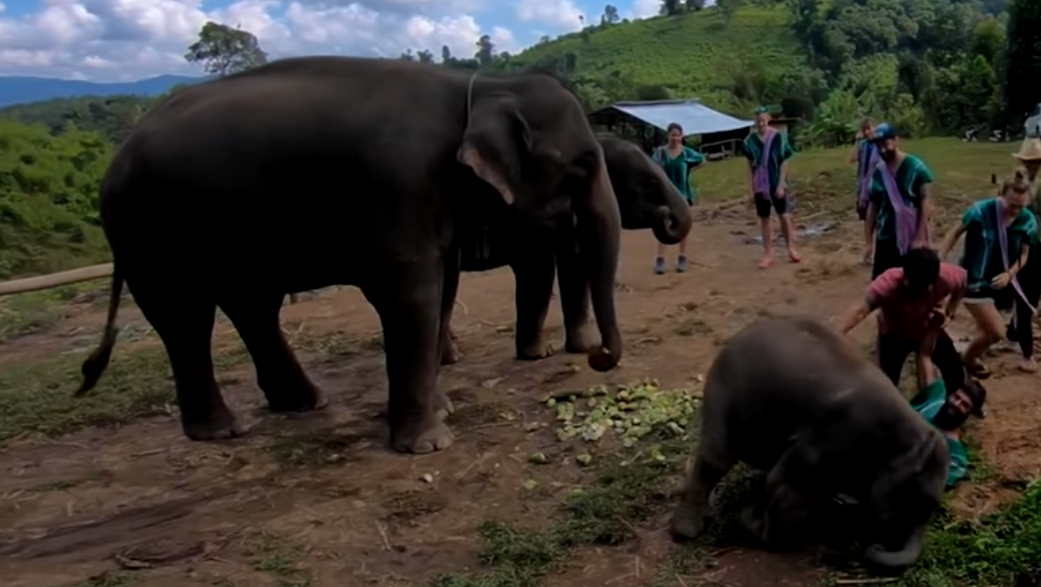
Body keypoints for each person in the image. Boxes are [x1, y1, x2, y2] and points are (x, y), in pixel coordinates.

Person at [940, 172, 1038, 378]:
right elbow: (955, 231)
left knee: (986, 327)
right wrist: (942, 256)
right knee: (996, 332)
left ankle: (968, 354)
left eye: (1021, 207)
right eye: (1011, 205)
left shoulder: (1027, 219)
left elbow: (1025, 254)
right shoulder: (980, 211)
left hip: (999, 282)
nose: (1016, 211)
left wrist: (1010, 274)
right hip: (974, 281)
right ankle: (968, 359)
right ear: (1001, 195)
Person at [839, 246, 967, 394]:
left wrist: (950, 311)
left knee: (953, 370)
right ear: (905, 279)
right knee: (887, 384)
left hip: (928, 328)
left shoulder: (947, 276)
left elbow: (963, 281)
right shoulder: (887, 284)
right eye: (917, 288)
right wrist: (837, 333)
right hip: (894, 335)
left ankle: (956, 402)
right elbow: (861, 310)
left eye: (926, 287)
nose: (922, 293)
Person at [914, 327, 988, 489]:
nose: (956, 403)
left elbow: (937, 483)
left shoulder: (955, 455)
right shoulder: (936, 398)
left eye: (964, 405)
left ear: (969, 414)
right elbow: (925, 356)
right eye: (957, 398)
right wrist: (933, 327)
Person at [864, 123, 933, 279]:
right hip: (886, 237)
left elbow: (925, 202)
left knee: (914, 283)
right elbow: (873, 207)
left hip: (912, 237)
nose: (882, 150)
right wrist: (868, 241)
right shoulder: (878, 172)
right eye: (879, 146)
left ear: (896, 140)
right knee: (884, 284)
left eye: (886, 144)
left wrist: (920, 237)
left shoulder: (916, 167)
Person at [744, 107, 800, 269]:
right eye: (758, 120)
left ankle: (791, 248)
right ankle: (768, 253)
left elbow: (784, 160)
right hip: (760, 185)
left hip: (776, 181)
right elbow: (749, 166)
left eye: (763, 119)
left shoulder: (777, 137)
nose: (761, 122)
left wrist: (782, 184)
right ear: (755, 122)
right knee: (765, 219)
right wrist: (751, 187)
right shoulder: (749, 142)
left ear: (768, 119)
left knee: (784, 216)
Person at [1004, 138, 1041, 371]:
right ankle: (1026, 352)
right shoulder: (1019, 185)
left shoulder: (1032, 186)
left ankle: (1013, 333)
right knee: (1025, 297)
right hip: (1025, 245)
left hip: (1033, 245)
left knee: (1028, 295)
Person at [652, 122, 705, 274]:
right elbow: (653, 167)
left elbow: (702, 160)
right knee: (664, 226)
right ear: (668, 136)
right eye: (672, 135)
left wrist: (689, 169)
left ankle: (682, 257)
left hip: (683, 195)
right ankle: (660, 259)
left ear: (682, 136)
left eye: (678, 135)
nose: (675, 138)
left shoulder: (687, 153)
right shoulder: (661, 153)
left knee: (683, 227)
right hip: (665, 195)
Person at [849, 117, 879, 264]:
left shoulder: (881, 144)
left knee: (879, 221)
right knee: (867, 220)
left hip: (878, 189)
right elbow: (852, 158)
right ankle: (868, 247)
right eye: (865, 129)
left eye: (870, 128)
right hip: (864, 190)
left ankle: (876, 251)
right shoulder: (864, 146)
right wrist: (857, 141)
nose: (868, 131)